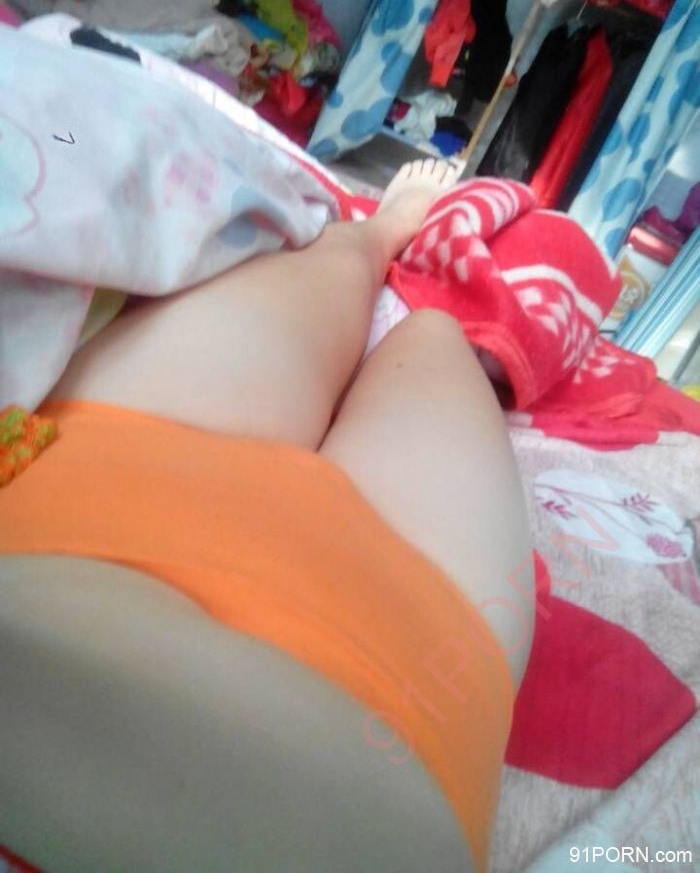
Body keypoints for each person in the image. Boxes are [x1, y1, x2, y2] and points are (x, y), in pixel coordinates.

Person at [0, 159, 534, 872]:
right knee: (438, 334)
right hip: (412, 656)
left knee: (345, 262)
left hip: (102, 484)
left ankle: (387, 231)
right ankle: (398, 248)